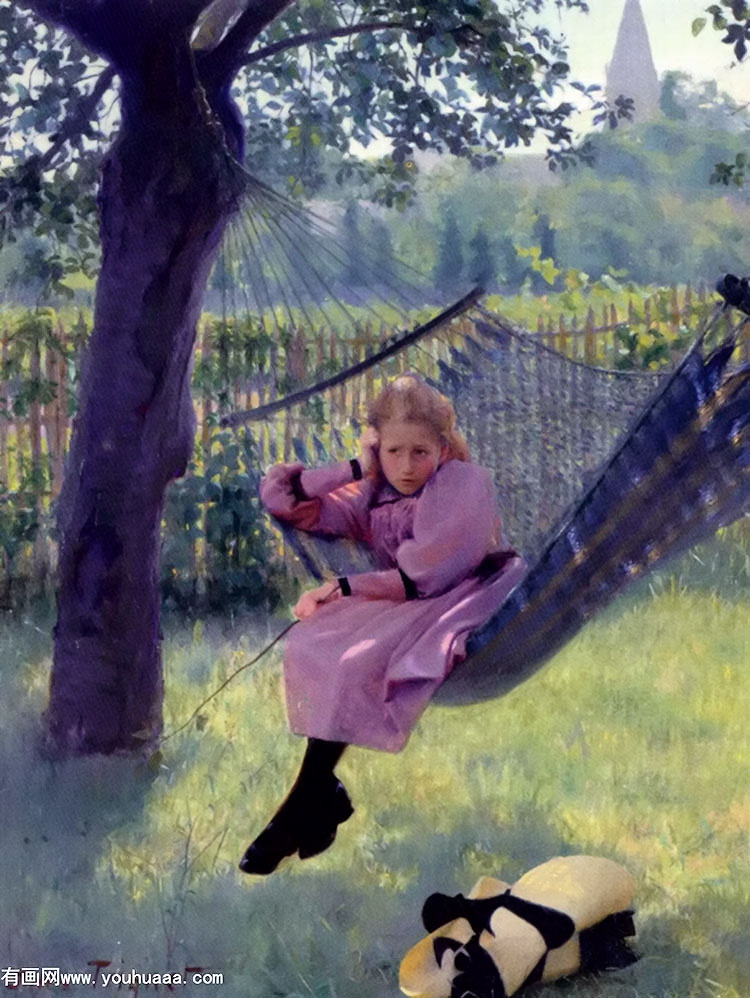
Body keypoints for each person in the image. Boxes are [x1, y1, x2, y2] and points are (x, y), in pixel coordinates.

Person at [239, 373, 526, 875]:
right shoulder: (374, 492)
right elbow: (283, 499)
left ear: (442, 447)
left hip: (456, 597)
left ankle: (297, 810)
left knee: (353, 663)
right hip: (401, 601)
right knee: (308, 647)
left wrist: (347, 587)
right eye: (393, 452)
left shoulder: (460, 483)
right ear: (377, 448)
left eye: (420, 452)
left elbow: (427, 574)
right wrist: (357, 467)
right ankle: (319, 796)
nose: (407, 466)